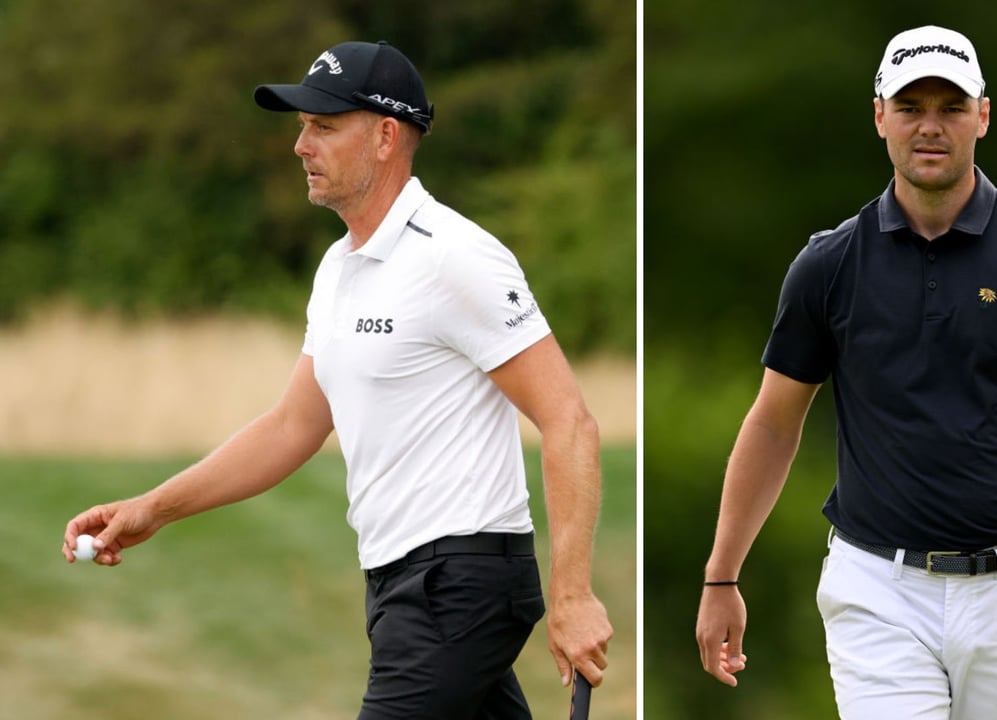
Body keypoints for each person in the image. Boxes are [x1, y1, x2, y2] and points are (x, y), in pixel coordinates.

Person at [62, 40, 612, 720]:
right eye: (301, 126)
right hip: (395, 584)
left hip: (459, 583)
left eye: (323, 126)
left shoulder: (455, 257)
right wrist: (152, 507)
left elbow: (569, 420)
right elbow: (292, 426)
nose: (300, 145)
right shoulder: (337, 270)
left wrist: (573, 593)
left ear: (385, 137)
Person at [694, 25, 997, 720]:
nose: (931, 127)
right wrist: (722, 575)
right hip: (878, 588)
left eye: (952, 108)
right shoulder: (830, 264)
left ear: (982, 116)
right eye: (910, 107)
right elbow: (774, 423)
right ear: (879, 117)